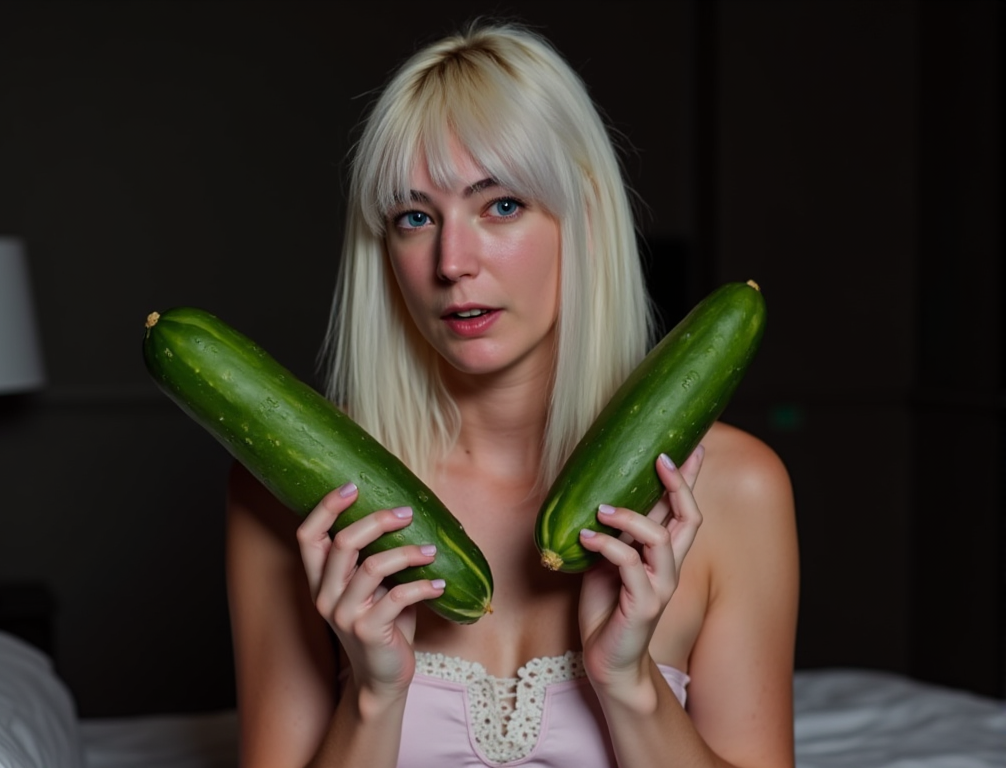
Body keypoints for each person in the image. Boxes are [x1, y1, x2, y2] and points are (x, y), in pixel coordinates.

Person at [225, 19, 799, 768]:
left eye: (501, 205)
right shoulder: (295, 495)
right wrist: (374, 695)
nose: (452, 261)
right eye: (415, 216)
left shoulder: (734, 490)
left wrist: (626, 684)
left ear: (583, 218)